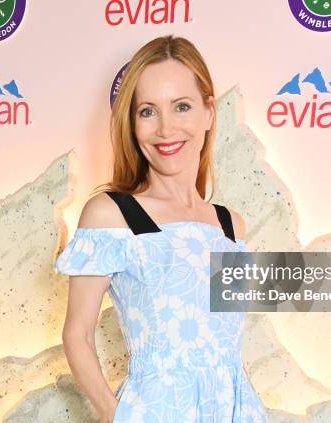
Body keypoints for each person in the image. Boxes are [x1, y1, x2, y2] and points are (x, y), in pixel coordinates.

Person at [55, 35, 267, 423]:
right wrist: (113, 415)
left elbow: (221, 342)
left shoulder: (230, 224)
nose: (166, 129)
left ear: (208, 113)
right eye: (148, 111)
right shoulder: (112, 214)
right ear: (132, 124)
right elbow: (77, 335)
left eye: (181, 106)